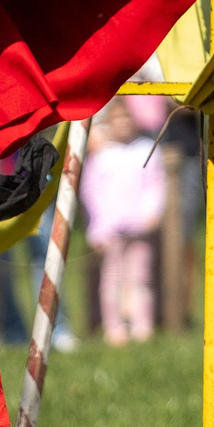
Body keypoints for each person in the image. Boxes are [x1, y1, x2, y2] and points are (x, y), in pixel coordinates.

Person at [80, 98, 163, 344]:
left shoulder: (147, 149)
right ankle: (114, 328)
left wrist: (150, 214)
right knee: (111, 279)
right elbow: (91, 192)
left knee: (140, 277)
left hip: (140, 228)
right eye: (118, 119)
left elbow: (155, 184)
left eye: (128, 119)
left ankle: (142, 325)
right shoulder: (102, 155)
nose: (124, 124)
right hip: (110, 230)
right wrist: (98, 226)